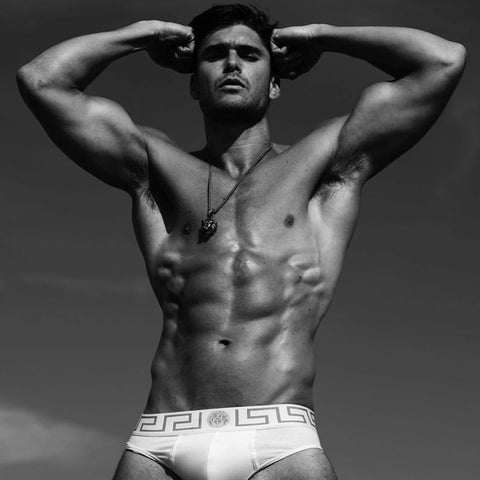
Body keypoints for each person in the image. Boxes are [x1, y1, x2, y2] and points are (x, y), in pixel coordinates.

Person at [17, 4, 466, 479]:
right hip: (162, 440)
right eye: (215, 55)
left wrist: (320, 35)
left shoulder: (323, 163)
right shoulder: (156, 167)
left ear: (274, 83)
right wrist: (144, 33)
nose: (232, 63)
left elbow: (442, 60)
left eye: (250, 55)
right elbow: (42, 80)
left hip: (279, 440)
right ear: (194, 82)